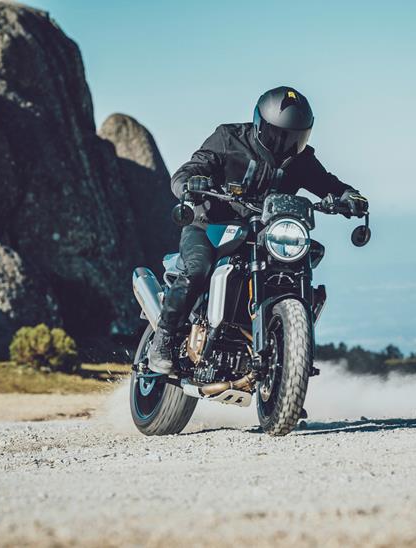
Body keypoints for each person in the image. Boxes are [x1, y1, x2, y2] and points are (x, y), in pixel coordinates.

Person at [148, 86, 369, 373]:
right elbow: (191, 169)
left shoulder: (301, 160)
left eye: (295, 137)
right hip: (210, 225)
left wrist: (349, 197)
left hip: (264, 232)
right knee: (198, 269)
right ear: (259, 124)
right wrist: (192, 183)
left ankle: (290, 355)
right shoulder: (228, 139)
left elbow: (329, 184)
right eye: (278, 134)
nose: (285, 142)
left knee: (303, 260)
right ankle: (164, 338)